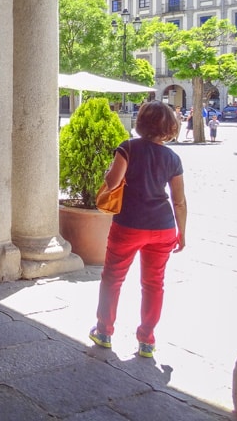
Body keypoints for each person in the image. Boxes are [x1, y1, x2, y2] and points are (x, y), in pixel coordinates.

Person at [89, 100, 187, 359]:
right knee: (154, 284)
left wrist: (108, 174)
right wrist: (182, 233)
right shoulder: (173, 158)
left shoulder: (128, 148)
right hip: (163, 227)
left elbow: (112, 183)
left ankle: (104, 332)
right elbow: (179, 200)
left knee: (113, 278)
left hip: (129, 224)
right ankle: (147, 341)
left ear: (142, 122)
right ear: (170, 127)